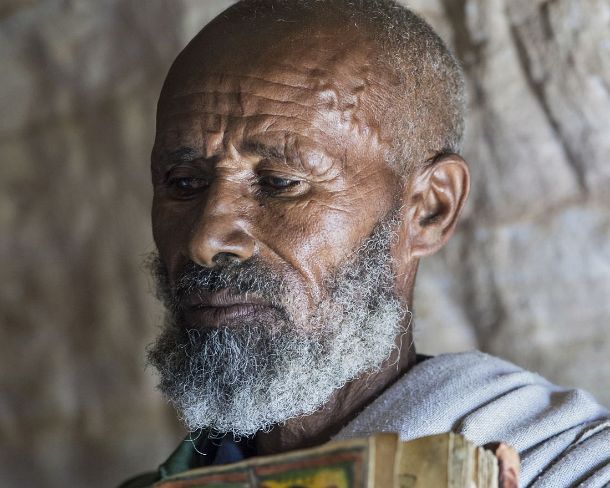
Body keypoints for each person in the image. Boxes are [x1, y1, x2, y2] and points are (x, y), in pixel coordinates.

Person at [121, 1, 610, 486]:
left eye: (280, 182)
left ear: (428, 210)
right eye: (183, 182)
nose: (205, 240)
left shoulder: (577, 468)